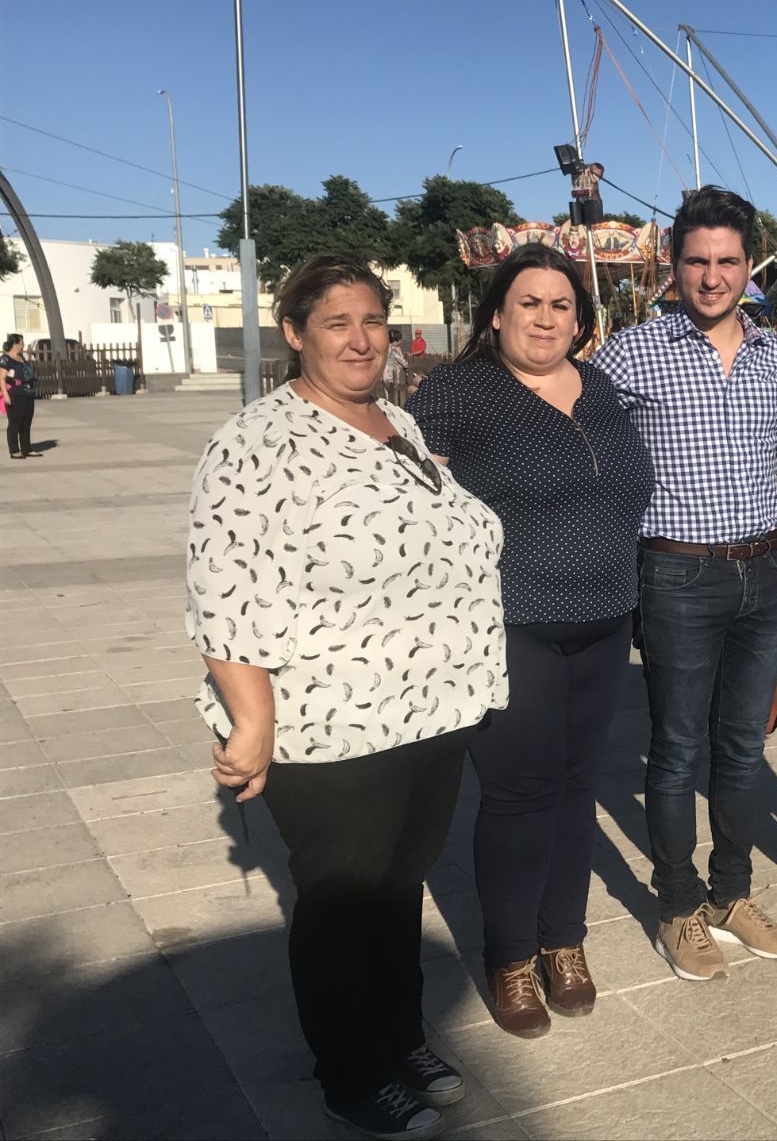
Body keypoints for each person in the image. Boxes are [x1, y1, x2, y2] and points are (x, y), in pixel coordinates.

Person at [185, 253, 508, 1141]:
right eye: (337, 323)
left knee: (398, 888)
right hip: (330, 723)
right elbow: (222, 594)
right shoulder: (254, 444)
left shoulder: (396, 421)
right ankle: (350, 1072)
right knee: (341, 901)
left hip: (428, 710)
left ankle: (399, 1038)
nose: (361, 340)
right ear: (294, 334)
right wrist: (251, 722)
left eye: (372, 320)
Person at [406, 244, 653, 1035]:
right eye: (529, 303)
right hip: (512, 625)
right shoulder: (458, 391)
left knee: (578, 786)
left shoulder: (600, 386)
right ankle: (511, 956)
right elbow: (411, 502)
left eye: (560, 306)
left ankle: (563, 940)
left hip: (606, 620)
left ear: (580, 320)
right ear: (497, 314)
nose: (545, 319)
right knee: (520, 795)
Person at [591, 186, 777, 981]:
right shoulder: (631, 354)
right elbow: (582, 438)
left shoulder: (775, 355)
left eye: (727, 261)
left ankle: (732, 894)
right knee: (678, 748)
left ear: (751, 266)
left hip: (764, 570)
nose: (712, 276)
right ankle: (679, 906)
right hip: (677, 571)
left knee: (744, 748)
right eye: (696, 261)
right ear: (673, 266)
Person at [3, 334, 38, 460]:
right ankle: (14, 450)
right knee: (15, 423)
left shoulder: (22, 358)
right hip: (14, 394)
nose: (23, 345)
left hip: (28, 393)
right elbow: (1, 378)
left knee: (26, 422)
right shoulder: (5, 359)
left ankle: (26, 448)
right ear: (15, 344)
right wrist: (5, 395)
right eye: (22, 343)